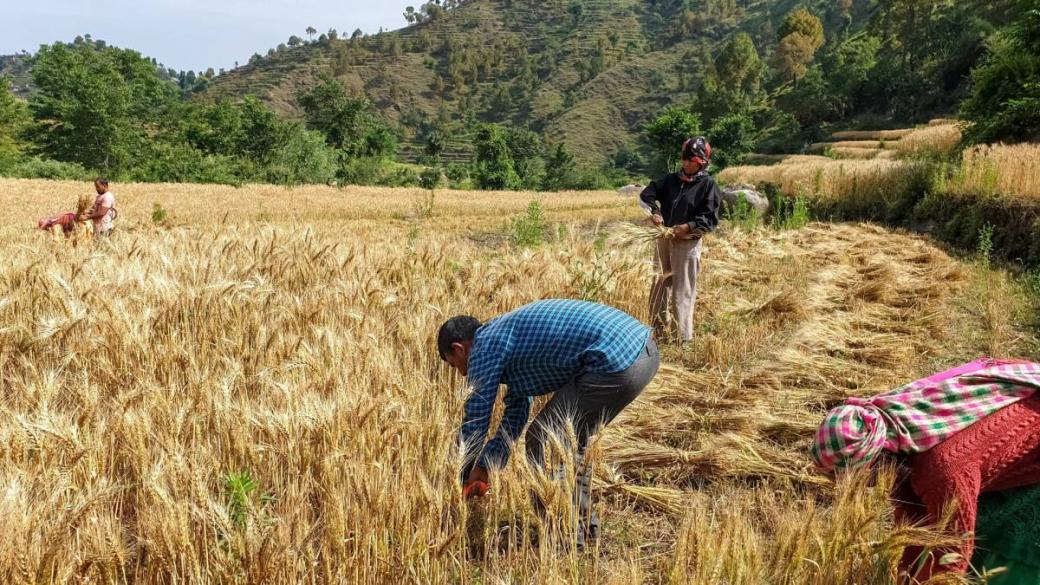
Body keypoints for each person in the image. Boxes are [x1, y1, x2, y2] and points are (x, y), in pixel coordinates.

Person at [437, 299, 659, 548]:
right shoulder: (503, 338)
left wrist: (462, 474)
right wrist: (486, 465)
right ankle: (582, 530)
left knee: (543, 441)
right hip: (639, 351)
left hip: (617, 359)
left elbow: (476, 419)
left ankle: (563, 533)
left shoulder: (483, 348)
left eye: (455, 366)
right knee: (568, 443)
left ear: (459, 349)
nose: (462, 374)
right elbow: (516, 415)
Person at [810, 358, 1040, 582]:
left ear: (873, 463)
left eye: (859, 480)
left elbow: (952, 550)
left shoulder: (943, 471)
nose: (859, 488)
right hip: (997, 429)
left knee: (1010, 549)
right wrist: (906, 575)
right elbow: (915, 522)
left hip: (1033, 431)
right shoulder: (895, 433)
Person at [639, 137, 722, 345]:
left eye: (690, 160)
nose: (685, 163)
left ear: (701, 162)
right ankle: (657, 333)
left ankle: (681, 338)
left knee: (682, 290)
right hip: (664, 238)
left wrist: (688, 227)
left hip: (686, 243)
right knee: (658, 286)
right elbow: (647, 195)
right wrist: (655, 213)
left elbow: (710, 217)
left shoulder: (707, 185)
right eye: (684, 159)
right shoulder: (670, 180)